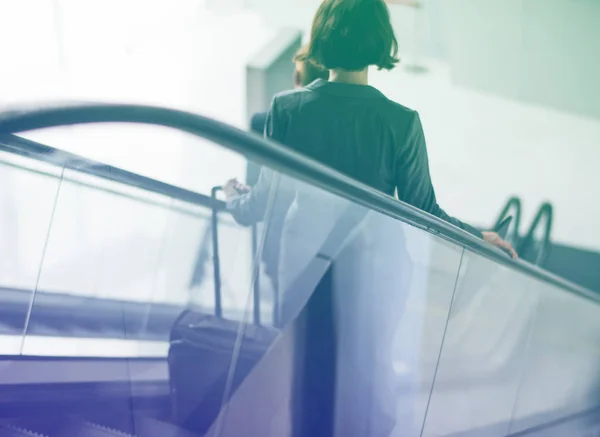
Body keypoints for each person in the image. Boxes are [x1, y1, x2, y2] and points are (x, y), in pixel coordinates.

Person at [225, 0, 516, 258]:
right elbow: (426, 214)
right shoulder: (402, 122)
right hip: (373, 270)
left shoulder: (286, 109)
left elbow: (267, 203)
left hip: (303, 261)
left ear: (321, 35)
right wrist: (478, 238)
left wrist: (233, 197)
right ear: (379, 40)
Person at [246, 45, 329, 185]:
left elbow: (255, 185)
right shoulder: (341, 125)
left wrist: (235, 198)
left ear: (296, 78)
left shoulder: (261, 123)